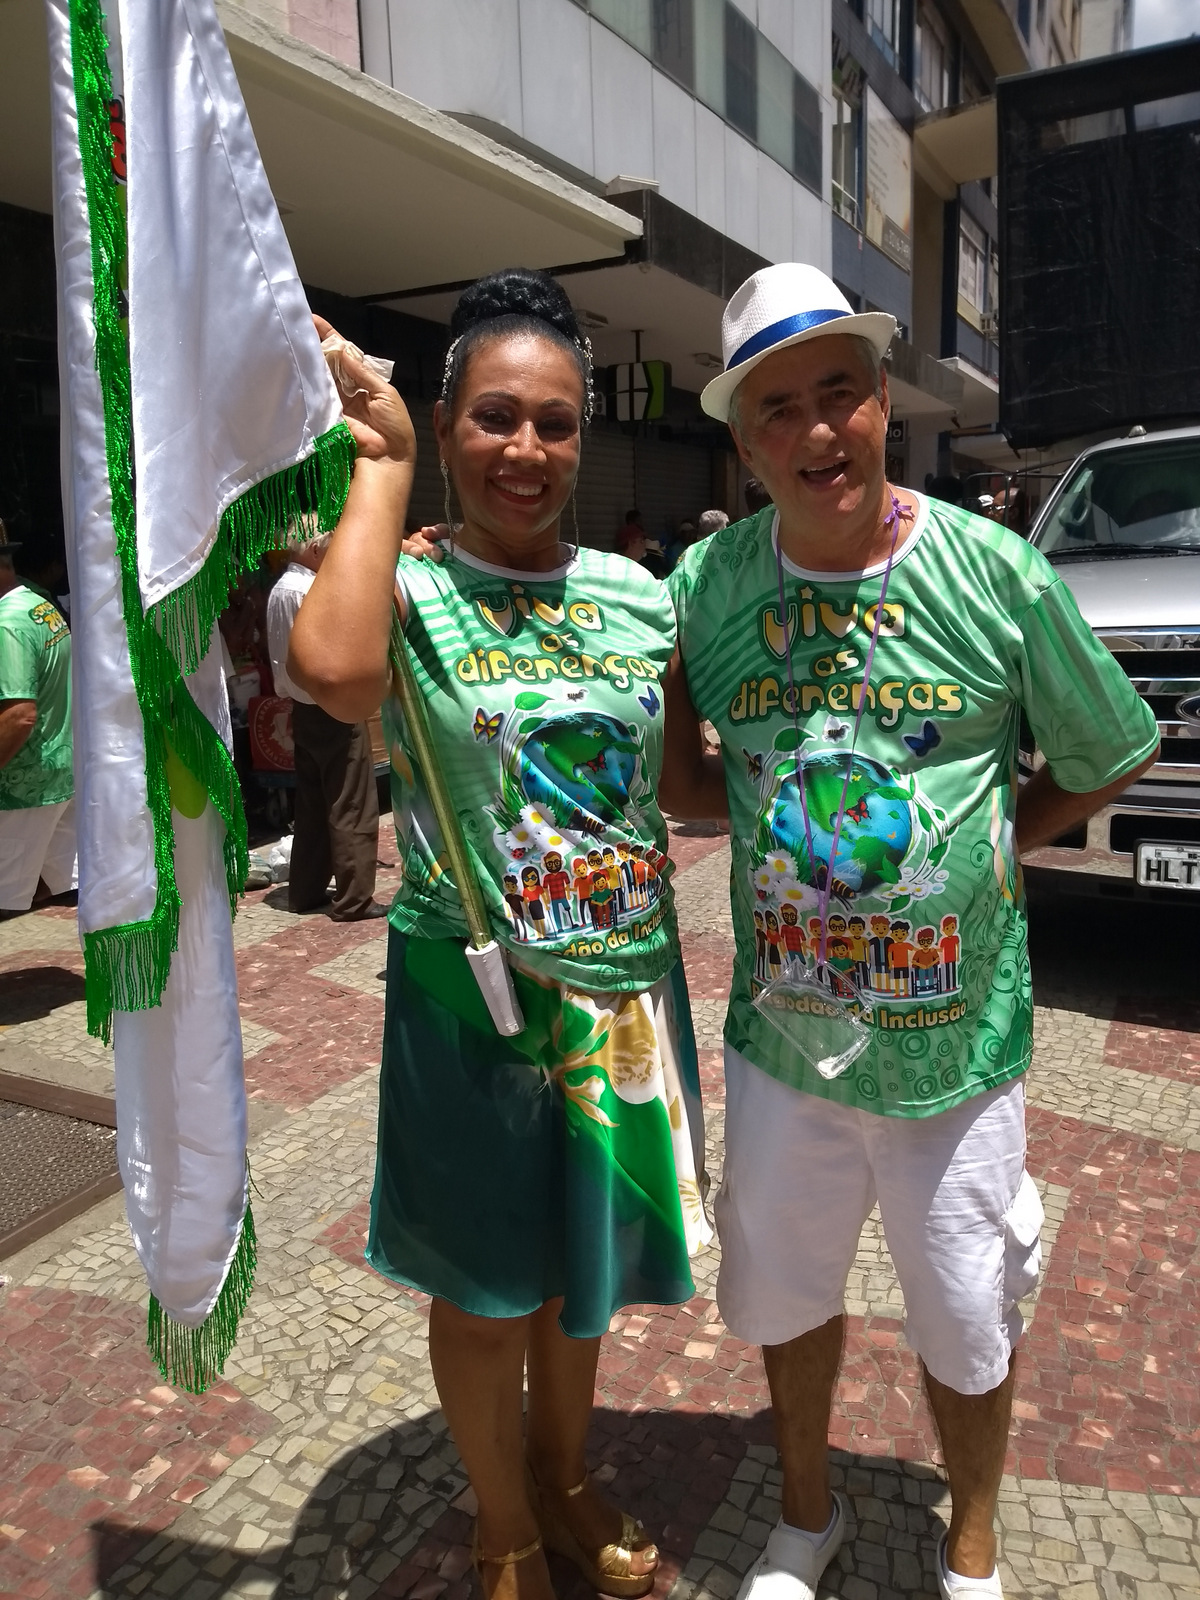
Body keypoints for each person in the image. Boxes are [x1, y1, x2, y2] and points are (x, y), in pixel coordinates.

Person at [660, 262, 1160, 1600]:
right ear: (746, 440)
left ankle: (974, 1538)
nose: (821, 433)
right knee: (785, 1298)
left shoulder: (993, 571)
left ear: (884, 403)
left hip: (959, 1052)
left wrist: (1009, 835)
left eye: (842, 394)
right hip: (786, 1045)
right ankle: (806, 1518)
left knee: (968, 1310)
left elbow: (1112, 745)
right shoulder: (707, 587)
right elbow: (683, 784)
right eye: (783, 409)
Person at [288, 268, 711, 1600]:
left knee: (574, 1279)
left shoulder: (647, 598)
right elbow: (334, 674)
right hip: (467, 1004)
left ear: (583, 436)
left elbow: (689, 782)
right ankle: (500, 1513)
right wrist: (385, 475)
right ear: (450, 425)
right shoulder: (408, 592)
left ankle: (565, 1471)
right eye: (491, 419)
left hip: (624, 992)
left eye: (552, 423)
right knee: (483, 1290)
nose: (524, 450)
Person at [266, 533, 386, 922]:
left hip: (302, 708)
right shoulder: (311, 591)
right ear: (316, 550)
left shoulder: (281, 590)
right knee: (351, 801)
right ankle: (355, 899)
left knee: (314, 802)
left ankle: (305, 889)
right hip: (331, 708)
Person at [0, 525, 76, 915]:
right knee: (57, 886)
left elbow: (19, 715)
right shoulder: (36, 604)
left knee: (8, 897)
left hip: (21, 787)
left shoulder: (6, 624)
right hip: (57, 770)